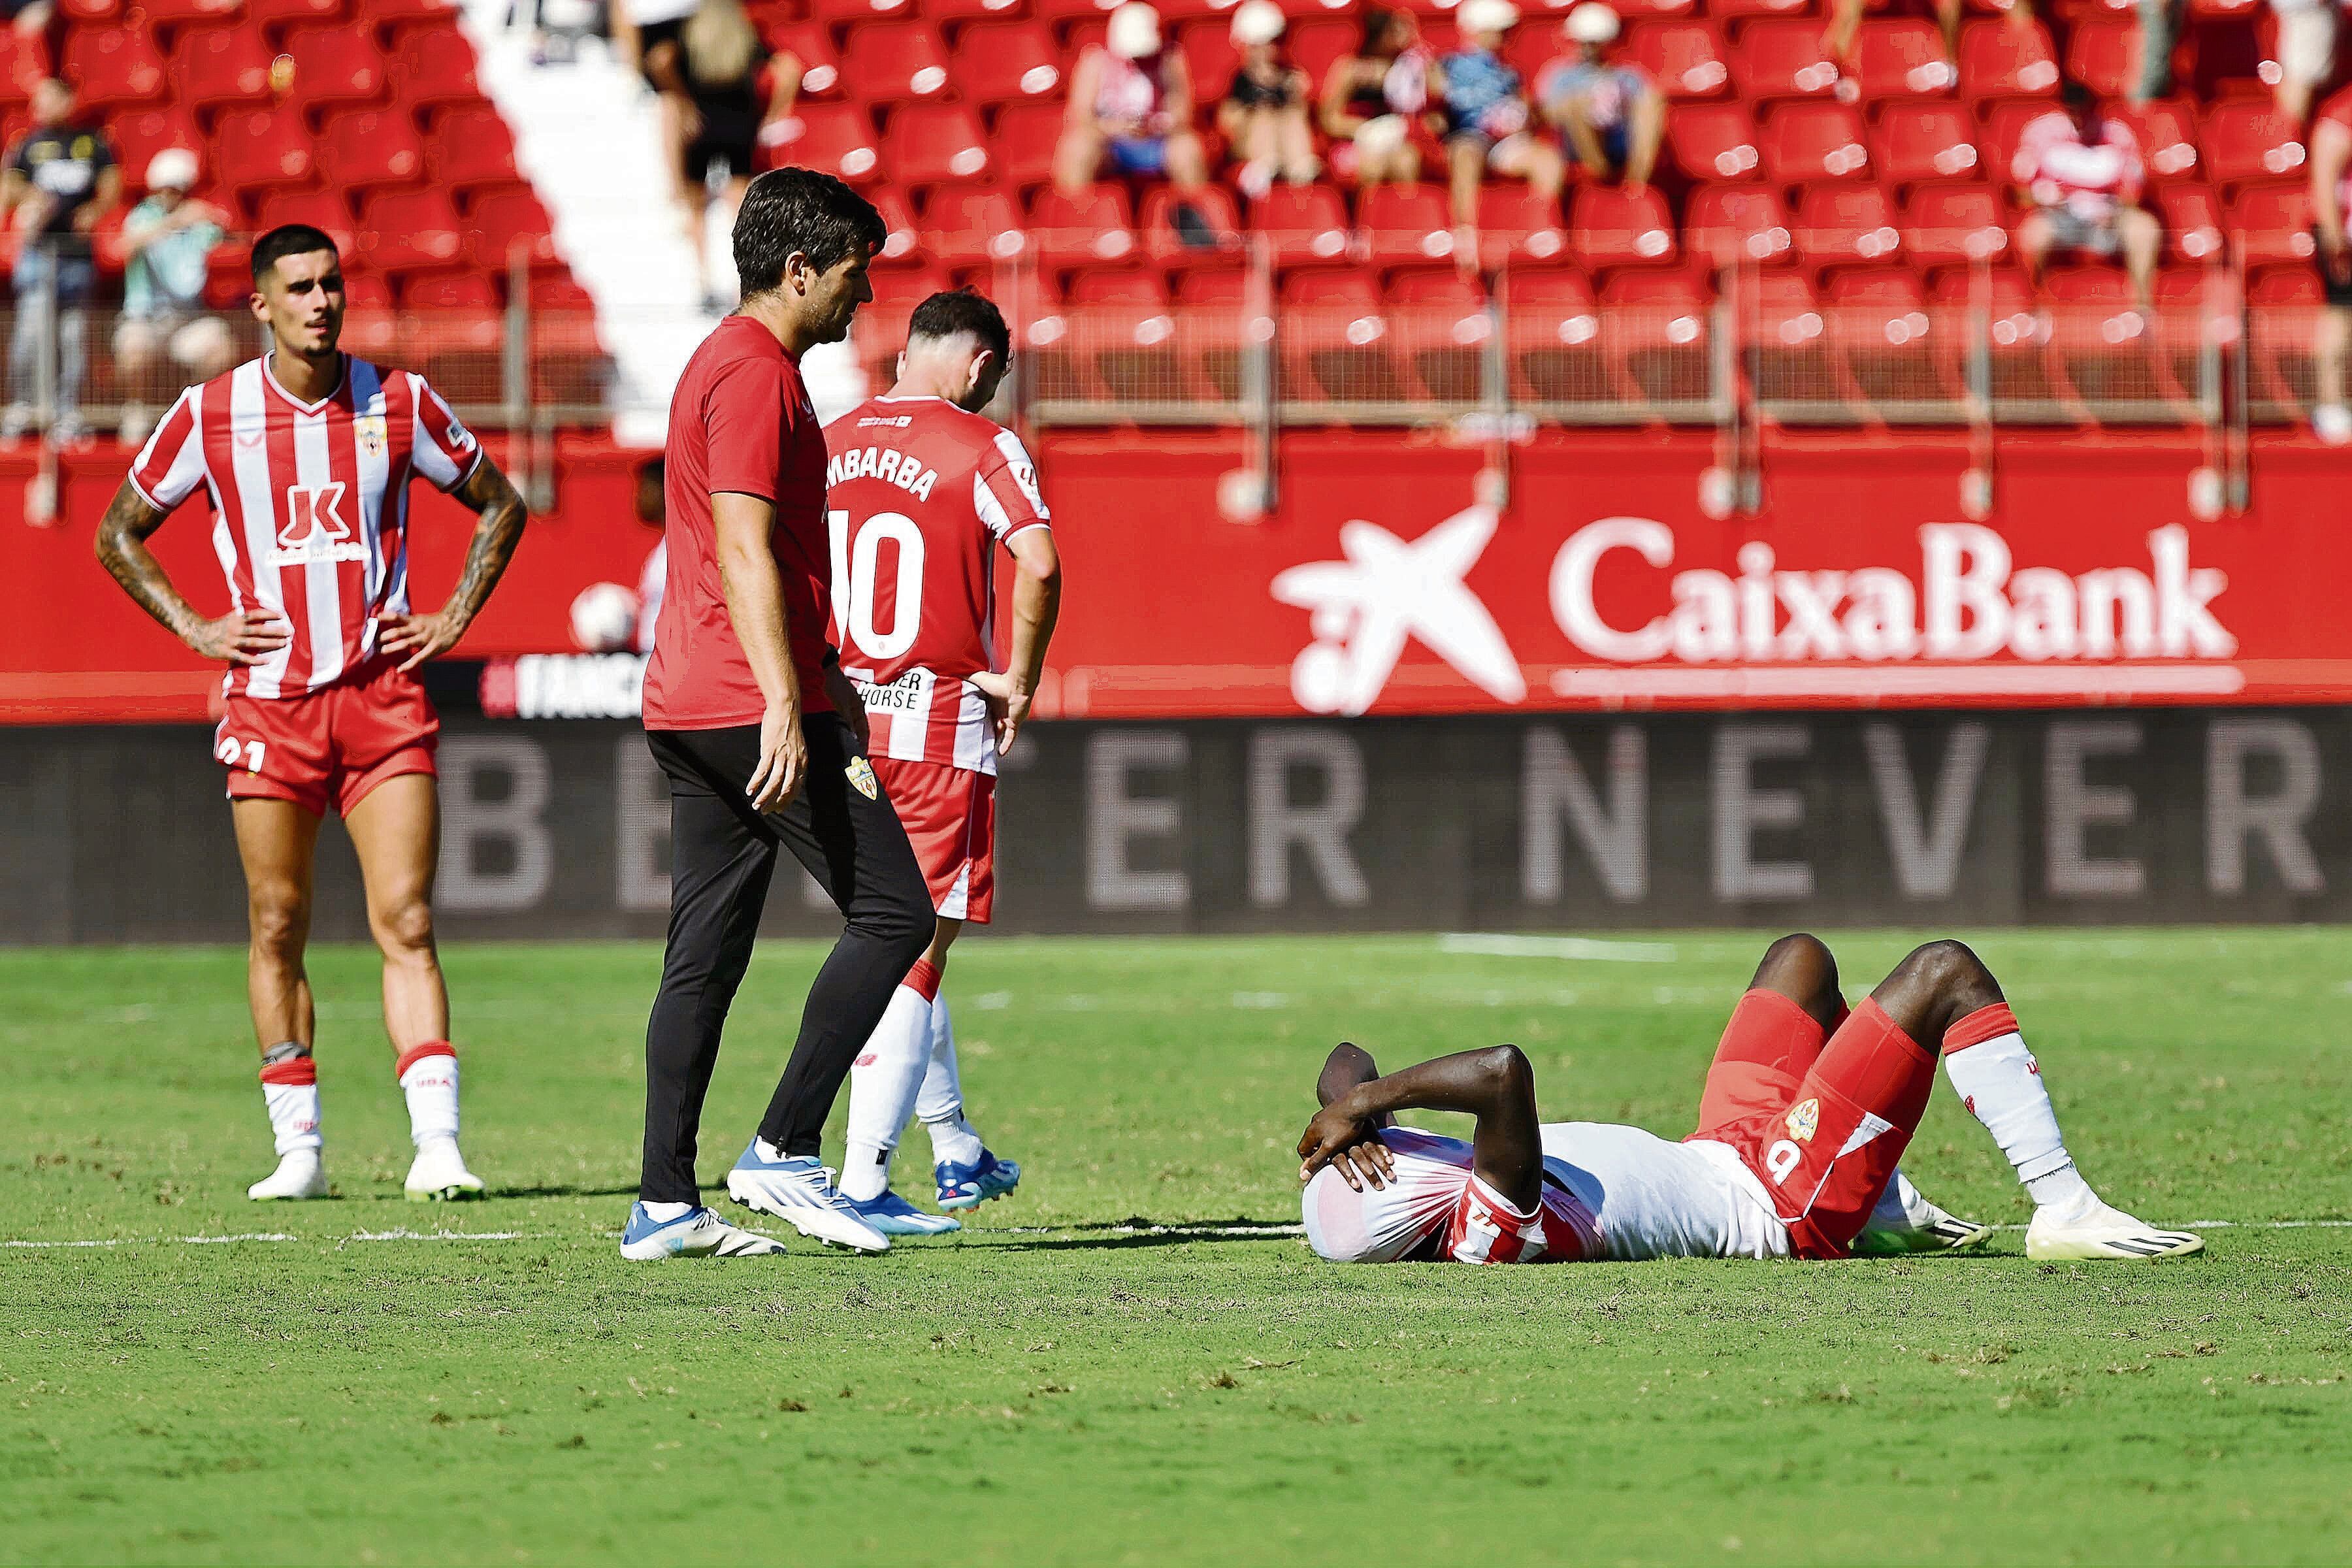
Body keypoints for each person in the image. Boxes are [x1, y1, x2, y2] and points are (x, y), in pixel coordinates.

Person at [91, 224, 532, 1203]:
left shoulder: (401, 401)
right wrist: (198, 627)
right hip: (272, 703)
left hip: (382, 697)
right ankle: (300, 1150)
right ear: (261, 306)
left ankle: (437, 1145)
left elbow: (502, 503)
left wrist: (455, 614)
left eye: (332, 284)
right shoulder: (211, 414)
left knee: (407, 918)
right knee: (277, 919)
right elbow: (118, 530)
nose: (322, 302)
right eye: (300, 288)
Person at [623, 167, 934, 1264]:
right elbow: (747, 545)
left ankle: (664, 1203)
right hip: (744, 701)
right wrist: (784, 705)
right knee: (897, 912)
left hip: (690, 699)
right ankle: (786, 1149)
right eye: (855, 275)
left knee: (702, 957)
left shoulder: (722, 361)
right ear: (799, 269)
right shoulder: (757, 376)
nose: (864, 298)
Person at [1299, 934, 2206, 1266]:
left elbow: (1345, 1060)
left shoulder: (1402, 1173)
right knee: (1945, 974)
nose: (1393, 1147)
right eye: (1383, 1157)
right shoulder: (1488, 1230)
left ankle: (1881, 1194)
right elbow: (1501, 1071)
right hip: (1777, 1204)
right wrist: (1369, 1104)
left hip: (1722, 1145)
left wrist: (1348, 1116)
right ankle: (2064, 1206)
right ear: (1405, 1212)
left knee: (1799, 961)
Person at [826, 288, 1063, 1235]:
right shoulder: (979, 446)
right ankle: (863, 1180)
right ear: (976, 362)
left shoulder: (833, 438)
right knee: (915, 952)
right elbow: (1040, 561)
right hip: (933, 729)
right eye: (995, 378)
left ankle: (956, 1148)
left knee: (890, 937)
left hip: (843, 728)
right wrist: (1022, 677)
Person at [1, 79, 118, 444]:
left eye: (49, 97)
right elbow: (7, 191)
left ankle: (68, 412)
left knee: (73, 338)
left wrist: (93, 211)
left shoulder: (92, 143)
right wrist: (31, 197)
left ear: (68, 100)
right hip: (38, 255)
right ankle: (24, 406)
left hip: (77, 257)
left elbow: (112, 187)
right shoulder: (26, 146)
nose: (40, 105)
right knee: (31, 334)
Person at [668, 0, 803, 312]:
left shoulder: (689, 33)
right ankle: (740, 280)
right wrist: (774, 115)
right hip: (740, 119)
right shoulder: (744, 33)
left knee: (697, 205)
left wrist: (681, 99)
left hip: (702, 120)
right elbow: (789, 68)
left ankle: (703, 282)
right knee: (739, 202)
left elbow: (660, 61)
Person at [112, 148, 234, 446]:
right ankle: (136, 414)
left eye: (176, 189)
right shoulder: (142, 217)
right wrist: (173, 224)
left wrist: (216, 220)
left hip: (187, 319)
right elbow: (122, 248)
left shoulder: (197, 220)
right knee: (134, 349)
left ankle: (190, 416)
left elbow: (228, 235)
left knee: (219, 347)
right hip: (146, 319)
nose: (169, 195)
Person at [2012, 80, 2159, 313]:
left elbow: (2134, 192)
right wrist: (2046, 198)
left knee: (2145, 229)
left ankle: (2143, 311)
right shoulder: (2040, 134)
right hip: (2059, 217)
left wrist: (2115, 210)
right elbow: (2021, 192)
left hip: (2109, 219)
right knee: (2033, 235)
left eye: (2084, 111)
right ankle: (2034, 309)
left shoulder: (2118, 135)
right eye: (2073, 112)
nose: (2079, 118)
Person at [1056, 2, 1213, 204]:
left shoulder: (1170, 60)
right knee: (1079, 149)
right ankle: (1074, 219)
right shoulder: (1096, 62)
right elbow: (1081, 116)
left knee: (1188, 150)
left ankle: (1198, 222)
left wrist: (1156, 125)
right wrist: (1113, 127)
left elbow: (1183, 114)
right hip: (1111, 144)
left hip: (1157, 141)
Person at [1428, 0, 1565, 232]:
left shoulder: (1510, 72)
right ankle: (1467, 235)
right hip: (1467, 137)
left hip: (1505, 143)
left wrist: (1525, 115)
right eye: (1500, 31)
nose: (1506, 36)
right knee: (1466, 156)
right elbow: (1432, 107)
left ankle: (1539, 233)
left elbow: (1531, 112)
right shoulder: (1446, 65)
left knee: (1548, 161)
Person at [1538, 4, 1663, 191]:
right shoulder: (1560, 75)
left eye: (1594, 42)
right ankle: (1602, 175)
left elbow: (1646, 109)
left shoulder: (1629, 75)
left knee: (1652, 100)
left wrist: (1618, 106)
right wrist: (1588, 106)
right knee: (1575, 105)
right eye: (1583, 41)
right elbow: (1548, 115)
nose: (1588, 48)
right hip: (1577, 145)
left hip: (1621, 139)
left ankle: (1636, 183)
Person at [1218, 1, 1320, 200]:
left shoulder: (1292, 77)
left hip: (1289, 147)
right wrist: (1253, 107)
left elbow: (1305, 114)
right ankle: (1267, 167)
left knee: (1292, 118)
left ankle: (1300, 171)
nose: (1269, 50)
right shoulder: (1238, 81)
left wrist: (1295, 95)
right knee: (1264, 118)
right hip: (1253, 147)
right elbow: (1227, 122)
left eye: (1274, 42)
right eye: (1262, 44)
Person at [1320, 6, 1428, 192]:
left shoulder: (1407, 68)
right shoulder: (1350, 69)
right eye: (1395, 30)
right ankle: (1368, 218)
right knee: (1373, 166)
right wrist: (1367, 130)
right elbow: (1329, 120)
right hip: (1356, 140)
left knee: (1407, 161)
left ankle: (1405, 218)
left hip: (1397, 140)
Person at [2310, 84, 2352, 444]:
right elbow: (2325, 177)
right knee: (2340, 318)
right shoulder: (2343, 111)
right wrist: (2334, 235)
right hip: (2349, 237)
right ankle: (2331, 404)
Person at [2272, 0, 2338, 124]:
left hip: (2311, 12)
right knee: (2300, 78)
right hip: (2307, 12)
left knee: (2301, 79)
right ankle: (2291, 138)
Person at [632, 452, 668, 653]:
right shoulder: (663, 548)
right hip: (655, 658)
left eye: (646, 487)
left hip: (671, 660)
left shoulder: (683, 549)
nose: (639, 496)